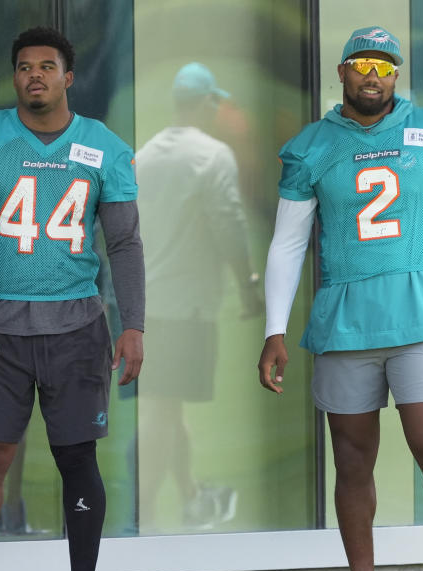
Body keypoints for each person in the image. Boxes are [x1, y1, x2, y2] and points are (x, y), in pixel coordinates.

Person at [257, 26, 423, 571]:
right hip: (344, 320)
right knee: (352, 458)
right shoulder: (312, 146)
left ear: (396, 75)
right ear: (341, 72)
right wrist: (273, 328)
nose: (373, 74)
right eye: (362, 63)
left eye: (385, 65)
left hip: (422, 311)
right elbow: (287, 243)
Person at [0, 26, 144, 571]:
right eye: (24, 67)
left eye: (47, 66)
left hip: (78, 323)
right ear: (15, 77)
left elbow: (126, 242)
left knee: (77, 457)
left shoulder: (103, 146)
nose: (35, 76)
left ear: (68, 77)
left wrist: (133, 324)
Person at [136, 62, 261, 532]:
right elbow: (229, 226)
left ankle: (189, 495)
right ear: (207, 102)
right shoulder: (213, 156)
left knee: (167, 403)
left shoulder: (146, 154)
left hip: (147, 303)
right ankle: (143, 516)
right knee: (161, 409)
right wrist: (249, 287)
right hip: (186, 305)